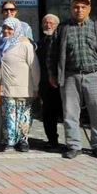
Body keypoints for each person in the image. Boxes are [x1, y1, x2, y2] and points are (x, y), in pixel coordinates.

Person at [47, 0, 97, 160]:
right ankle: (73, 146)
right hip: (70, 76)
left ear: (89, 9)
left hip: (95, 77)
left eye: (83, 7)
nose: (79, 10)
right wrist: (52, 74)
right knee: (70, 113)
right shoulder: (62, 28)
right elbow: (52, 54)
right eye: (76, 7)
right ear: (71, 9)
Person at [0, 18, 40, 152]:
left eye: (10, 28)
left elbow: (35, 67)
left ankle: (23, 141)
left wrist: (36, 86)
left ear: (17, 30)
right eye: (4, 28)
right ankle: (10, 141)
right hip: (6, 87)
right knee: (9, 115)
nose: (6, 31)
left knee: (24, 115)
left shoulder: (25, 44)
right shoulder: (2, 44)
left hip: (24, 87)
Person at [37, 14, 62, 149]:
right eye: (45, 23)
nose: (48, 25)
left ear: (57, 26)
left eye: (51, 23)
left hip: (61, 82)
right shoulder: (41, 42)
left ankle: (72, 143)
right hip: (45, 84)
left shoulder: (60, 40)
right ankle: (52, 140)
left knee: (65, 113)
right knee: (48, 113)